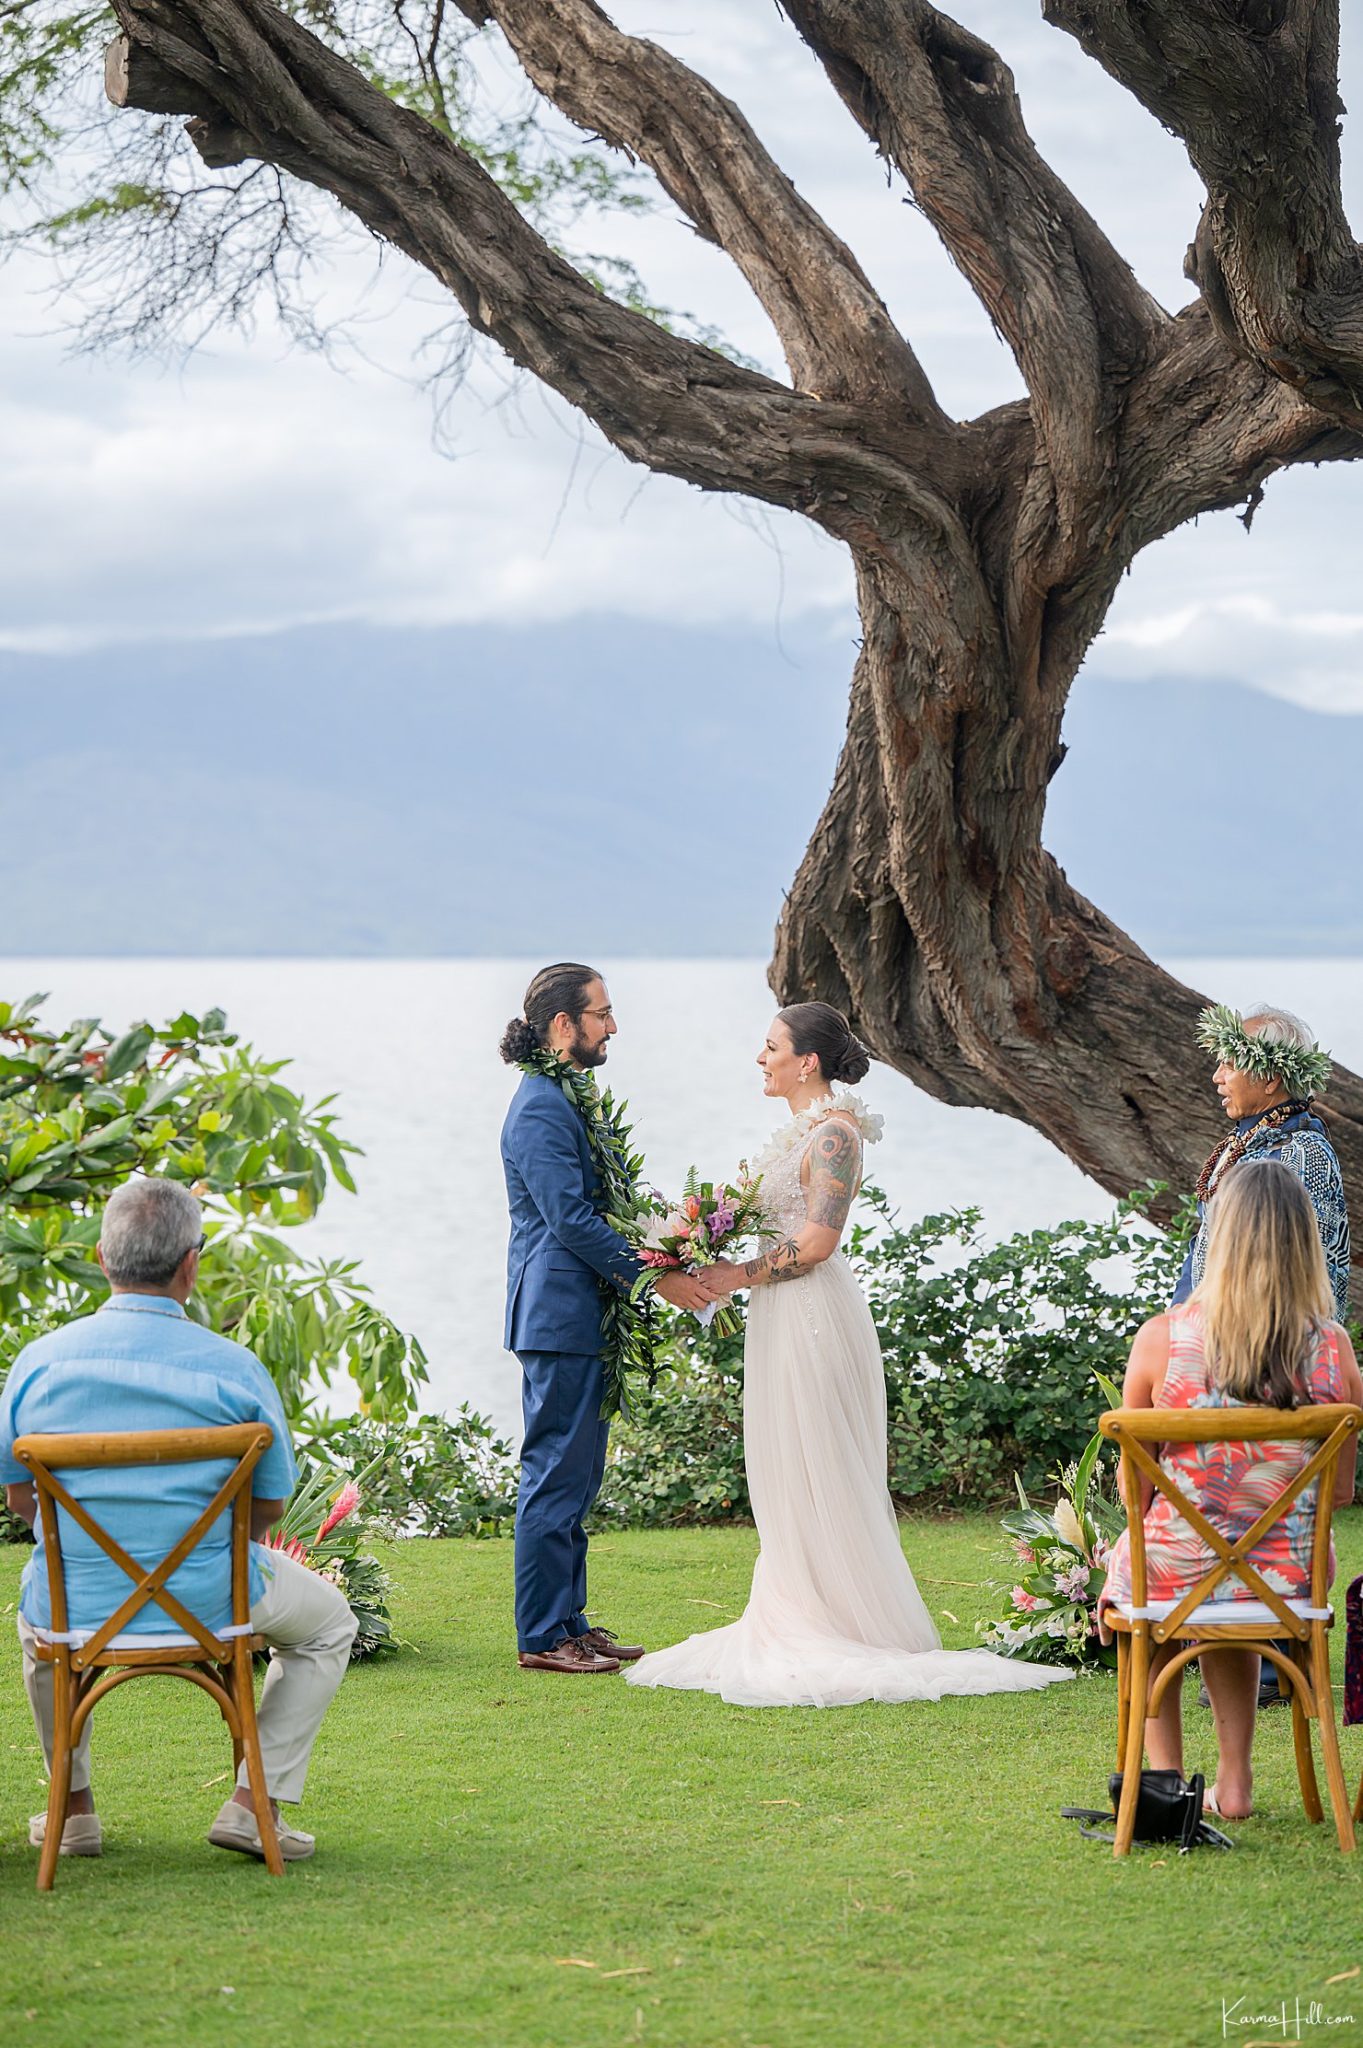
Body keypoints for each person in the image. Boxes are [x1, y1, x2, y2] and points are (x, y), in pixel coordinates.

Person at [626, 1002, 1072, 1708]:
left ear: (807, 1061)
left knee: (819, 1460)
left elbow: (815, 1243)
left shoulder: (835, 1135)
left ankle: (837, 1622)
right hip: (779, 1314)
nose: (759, 1057)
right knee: (786, 1463)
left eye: (769, 1045)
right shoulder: (797, 1135)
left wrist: (731, 1276)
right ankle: (798, 1604)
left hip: (812, 1316)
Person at [0, 1177, 357, 1862]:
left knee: (36, 1618)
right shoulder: (235, 1369)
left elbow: (22, 1503)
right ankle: (256, 1805)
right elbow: (269, 1511)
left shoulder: (38, 1365)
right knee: (330, 1624)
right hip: (215, 1602)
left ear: (102, 1258)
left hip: (79, 1609)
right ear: (191, 1265)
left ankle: (72, 1811)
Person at [1099, 1159, 1362, 1819]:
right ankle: (1234, 1786)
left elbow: (1136, 1488)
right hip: (1288, 1579)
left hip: (1173, 1574)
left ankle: (1166, 1790)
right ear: (1303, 1243)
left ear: (1218, 1241)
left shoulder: (1162, 1340)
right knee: (1233, 1571)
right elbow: (1338, 1494)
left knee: (1161, 1588)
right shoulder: (1333, 1350)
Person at [499, 963, 713, 1675]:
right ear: (564, 1025)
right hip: (556, 1313)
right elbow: (566, 1218)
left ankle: (571, 1621)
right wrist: (656, 1277)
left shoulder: (565, 1096)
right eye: (602, 1013)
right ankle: (540, 1637)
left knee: (578, 1475)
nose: (611, 1026)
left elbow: (596, 1208)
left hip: (580, 1312)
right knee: (554, 1472)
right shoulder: (538, 1106)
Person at [1177, 1002, 1348, 1319]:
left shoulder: (1302, 1155)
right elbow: (1202, 1247)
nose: (1217, 1077)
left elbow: (1287, 1280)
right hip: (1216, 1338)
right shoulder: (1243, 1141)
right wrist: (1178, 1321)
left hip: (1272, 1350)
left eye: (1229, 1064)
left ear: (1270, 1079)